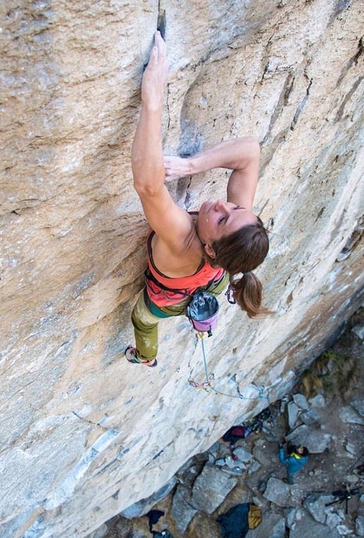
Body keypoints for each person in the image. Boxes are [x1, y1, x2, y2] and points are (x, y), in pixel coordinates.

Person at [125, 31, 270, 367]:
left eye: (221, 218)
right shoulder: (236, 231)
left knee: (143, 319)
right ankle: (204, 317)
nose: (223, 204)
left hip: (170, 299)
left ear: (208, 248)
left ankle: (146, 357)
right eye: (233, 207)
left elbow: (148, 187)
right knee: (209, 289)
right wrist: (191, 165)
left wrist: (153, 99)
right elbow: (250, 153)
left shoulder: (182, 239)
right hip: (215, 281)